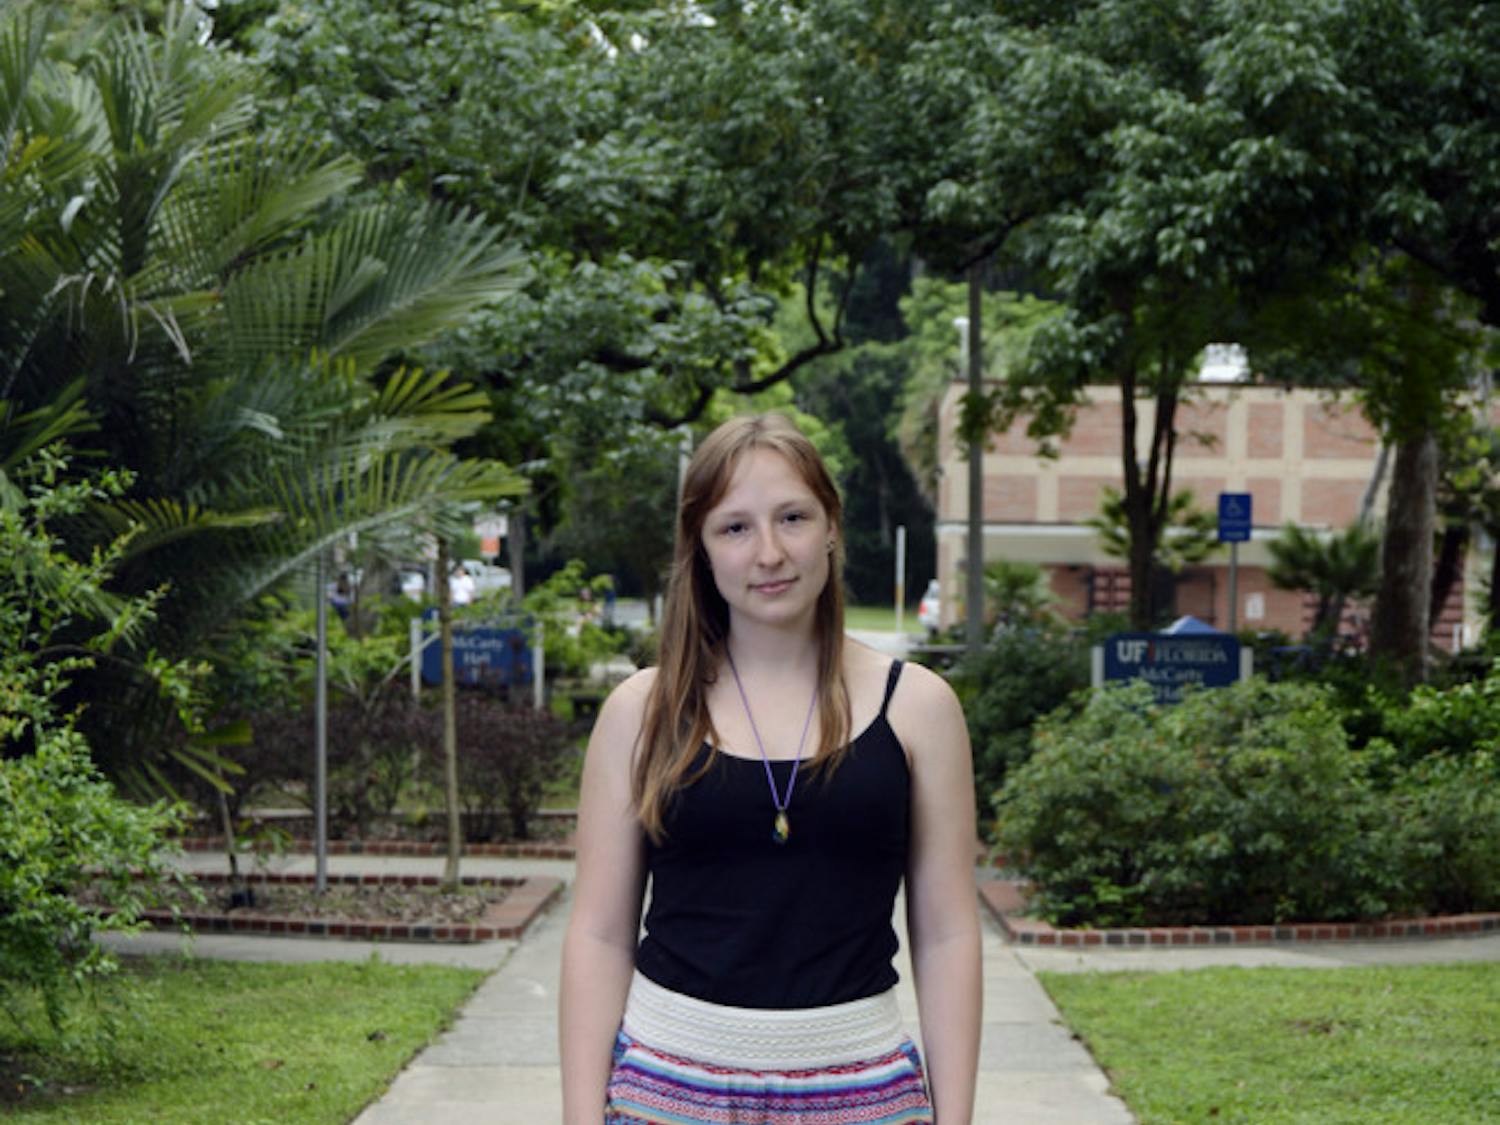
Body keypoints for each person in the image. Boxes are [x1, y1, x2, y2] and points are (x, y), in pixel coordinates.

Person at [560, 413, 980, 1123]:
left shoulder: (919, 708)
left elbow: (946, 933)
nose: (770, 551)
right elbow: (599, 932)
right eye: (735, 527)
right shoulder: (642, 712)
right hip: (666, 1089)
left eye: (793, 517)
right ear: (700, 547)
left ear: (832, 527)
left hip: (864, 1090)